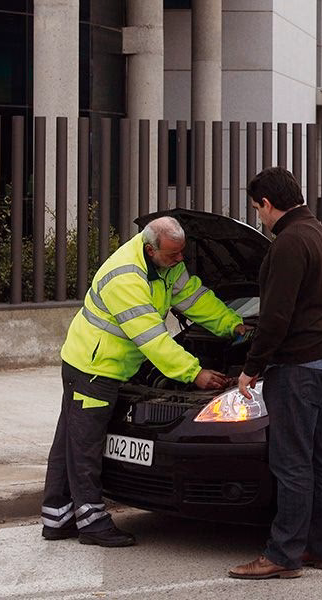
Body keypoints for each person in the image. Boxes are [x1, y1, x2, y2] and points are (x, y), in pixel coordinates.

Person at [42, 216, 249, 547]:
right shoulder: (126, 276)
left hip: (104, 364)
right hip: (94, 368)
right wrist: (194, 373)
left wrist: (233, 325)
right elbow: (152, 338)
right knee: (85, 445)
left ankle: (57, 517)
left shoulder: (166, 266)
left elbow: (194, 298)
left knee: (71, 437)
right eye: (172, 254)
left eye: (181, 253)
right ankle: (92, 522)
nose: (179, 260)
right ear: (151, 250)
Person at [229, 167, 322, 580]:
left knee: (292, 461)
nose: (258, 217)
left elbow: (276, 317)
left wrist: (251, 367)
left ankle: (282, 554)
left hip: (299, 365)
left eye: (256, 209)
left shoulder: (289, 242)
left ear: (267, 203)